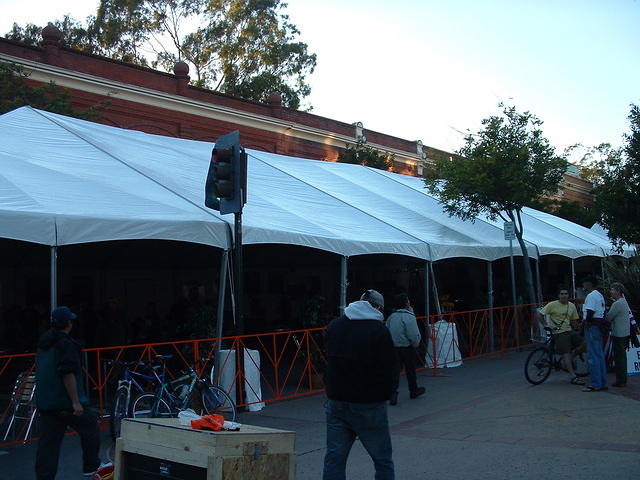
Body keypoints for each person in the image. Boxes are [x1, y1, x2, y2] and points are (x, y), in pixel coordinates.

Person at [323, 289, 396, 480]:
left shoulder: (335, 326)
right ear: (378, 307)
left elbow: (329, 359)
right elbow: (388, 368)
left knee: (334, 458)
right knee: (382, 459)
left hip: (336, 401)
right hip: (369, 403)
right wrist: (388, 394)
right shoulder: (379, 331)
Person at [35, 306, 104, 479]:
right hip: (65, 402)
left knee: (48, 445)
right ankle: (91, 465)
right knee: (90, 426)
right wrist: (75, 401)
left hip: (46, 403)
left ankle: (44, 477)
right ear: (67, 324)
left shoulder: (43, 343)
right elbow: (67, 373)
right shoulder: (66, 344)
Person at [537, 287, 585, 385]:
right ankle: (573, 376)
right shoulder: (552, 305)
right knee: (565, 352)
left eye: (566, 294)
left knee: (584, 344)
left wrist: (579, 327)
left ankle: (569, 359)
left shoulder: (571, 306)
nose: (564, 296)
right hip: (558, 333)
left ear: (568, 295)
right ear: (558, 295)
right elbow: (540, 314)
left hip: (569, 331)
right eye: (562, 294)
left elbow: (573, 320)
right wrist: (546, 325)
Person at [386, 293, 425, 405]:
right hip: (407, 347)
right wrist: (416, 343)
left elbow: (387, 330)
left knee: (395, 372)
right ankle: (413, 390)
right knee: (410, 370)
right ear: (406, 303)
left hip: (394, 348)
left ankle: (393, 394)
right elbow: (413, 334)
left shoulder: (391, 317)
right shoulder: (409, 316)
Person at [580, 277, 608, 392]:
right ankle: (602, 382)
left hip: (592, 326)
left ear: (589, 283)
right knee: (599, 355)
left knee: (593, 356)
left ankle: (596, 383)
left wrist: (586, 323)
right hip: (598, 325)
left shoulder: (591, 296)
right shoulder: (599, 295)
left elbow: (590, 312)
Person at [608, 282, 631, 387]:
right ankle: (623, 379)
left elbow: (609, 317)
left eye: (612, 289)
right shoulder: (624, 302)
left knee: (619, 357)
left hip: (618, 333)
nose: (611, 291)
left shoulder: (617, 304)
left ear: (617, 291)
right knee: (622, 357)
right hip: (625, 332)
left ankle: (620, 380)